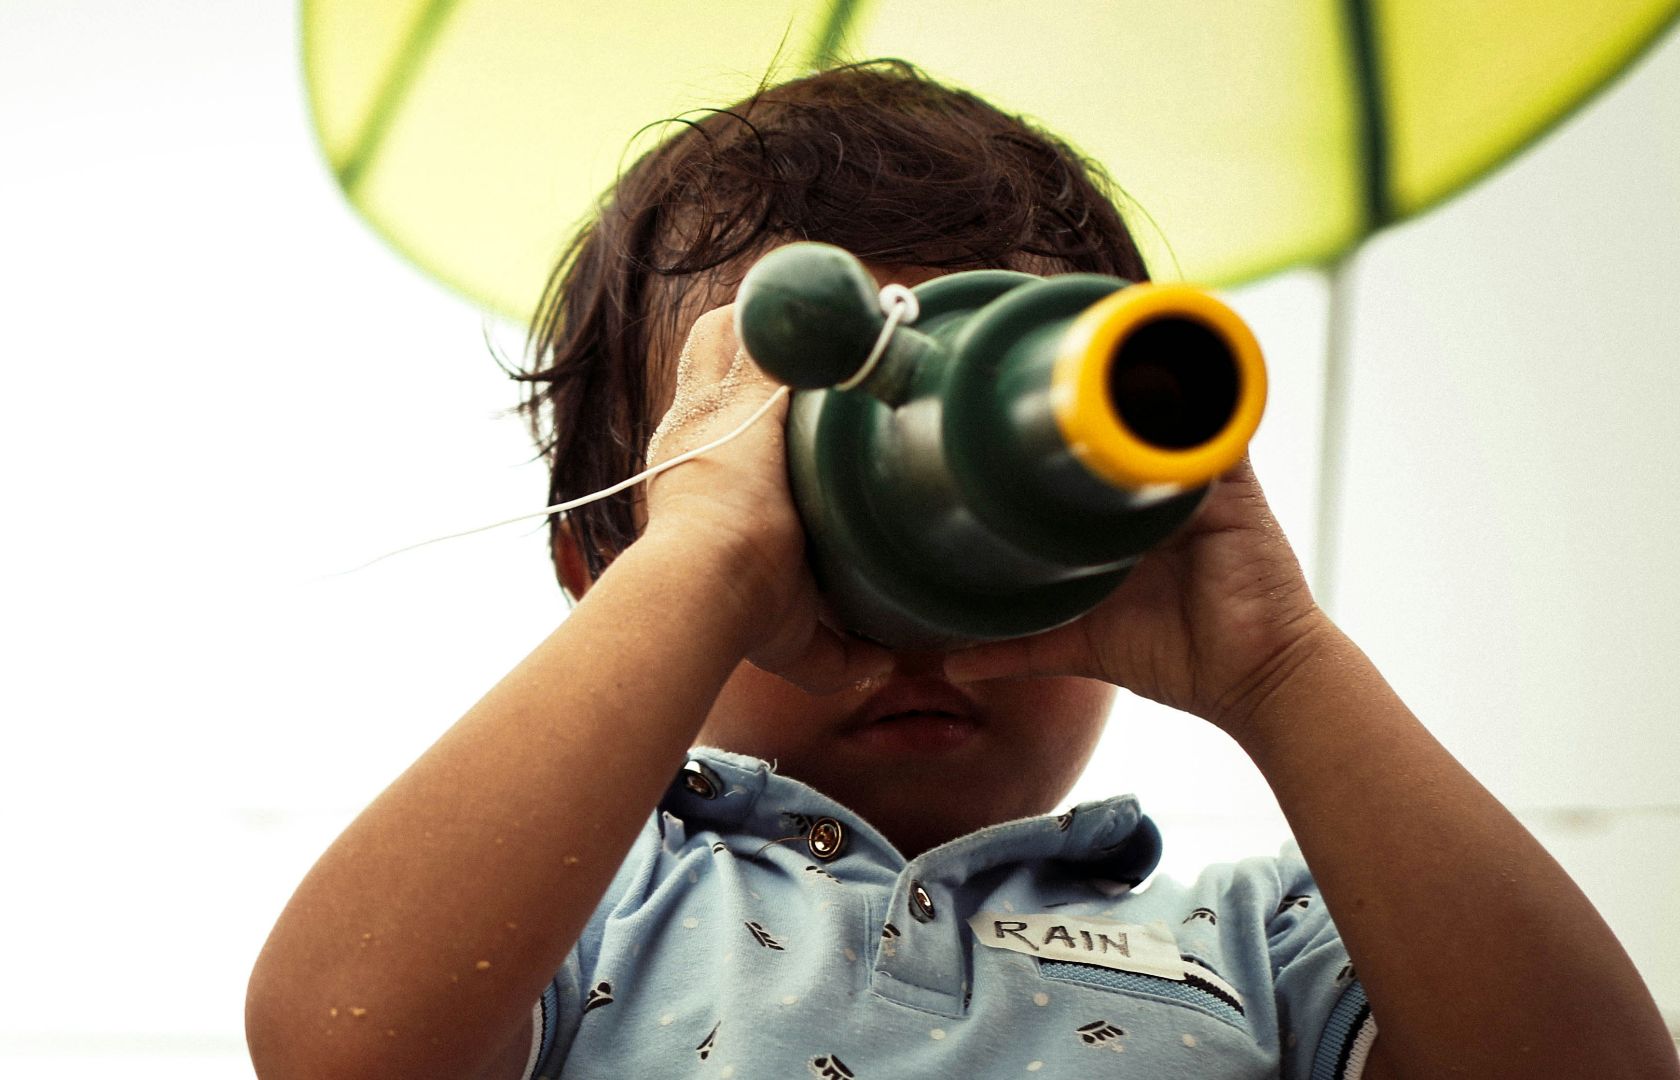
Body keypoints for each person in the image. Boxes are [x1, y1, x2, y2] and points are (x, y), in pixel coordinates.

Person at [244, 61, 1677, 1079]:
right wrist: (708, 561)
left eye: (990, 514)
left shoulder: (1267, 946)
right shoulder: (574, 910)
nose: (915, 614)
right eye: (808, 511)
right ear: (602, 563)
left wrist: (1278, 661)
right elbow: (342, 1043)